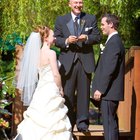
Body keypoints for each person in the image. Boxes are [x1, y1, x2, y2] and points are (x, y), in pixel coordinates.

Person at [14, 26, 73, 140]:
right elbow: (56, 74)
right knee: (53, 118)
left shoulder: (37, 54)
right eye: (52, 36)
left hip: (41, 90)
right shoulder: (51, 53)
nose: (55, 38)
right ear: (46, 38)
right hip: (51, 89)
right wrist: (60, 88)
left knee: (38, 117)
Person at [54, 0, 101, 132]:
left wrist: (86, 38)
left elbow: (97, 37)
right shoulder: (61, 20)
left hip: (85, 62)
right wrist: (66, 41)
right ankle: (67, 124)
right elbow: (56, 39)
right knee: (67, 95)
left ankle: (82, 124)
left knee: (84, 94)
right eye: (75, 2)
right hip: (67, 63)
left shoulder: (90, 18)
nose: (78, 5)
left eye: (80, 2)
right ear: (69, 4)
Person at [92, 13, 125, 140]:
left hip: (108, 93)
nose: (101, 27)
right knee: (111, 124)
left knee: (109, 126)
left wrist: (100, 89)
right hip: (110, 92)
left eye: (103, 24)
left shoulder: (114, 42)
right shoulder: (114, 41)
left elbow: (109, 69)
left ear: (111, 24)